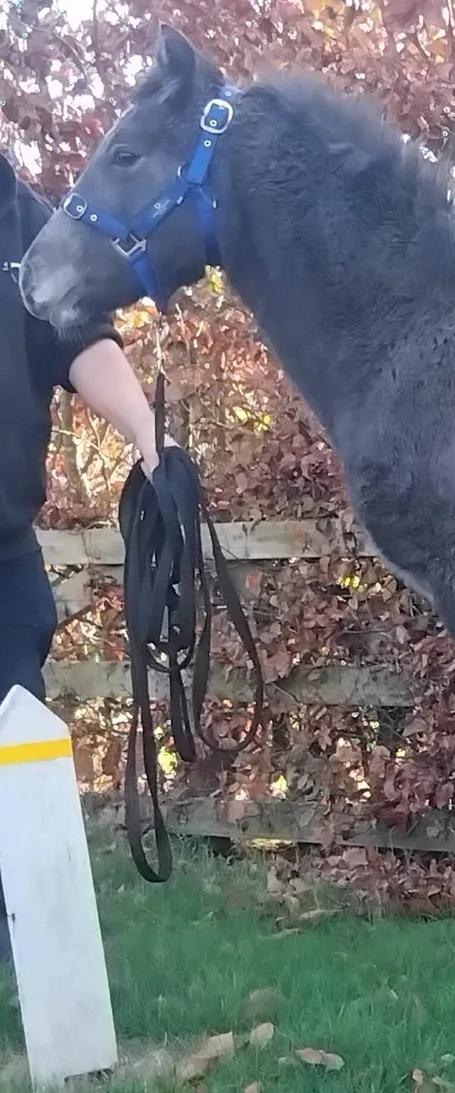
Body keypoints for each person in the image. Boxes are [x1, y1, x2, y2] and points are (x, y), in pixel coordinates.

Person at [2, 148, 168, 956]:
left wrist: (146, 434)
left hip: (1, 560)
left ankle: (18, 963)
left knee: (11, 764)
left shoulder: (22, 221)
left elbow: (79, 343)